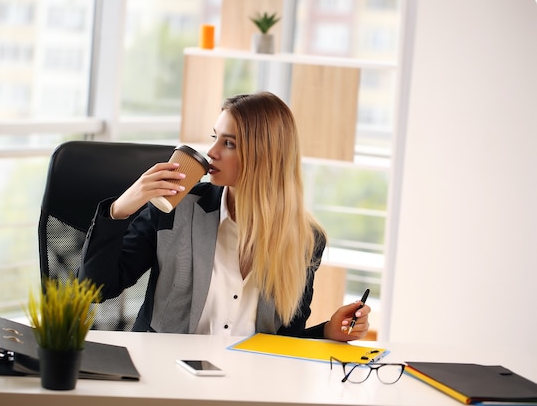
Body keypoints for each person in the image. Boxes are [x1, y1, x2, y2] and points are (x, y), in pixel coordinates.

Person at [79, 91, 370, 341]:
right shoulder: (175, 208)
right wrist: (120, 209)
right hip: (162, 371)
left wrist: (327, 332)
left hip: (246, 381)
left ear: (264, 155)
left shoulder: (305, 239)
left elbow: (284, 341)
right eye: (215, 137)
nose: (212, 152)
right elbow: (94, 289)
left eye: (228, 143)